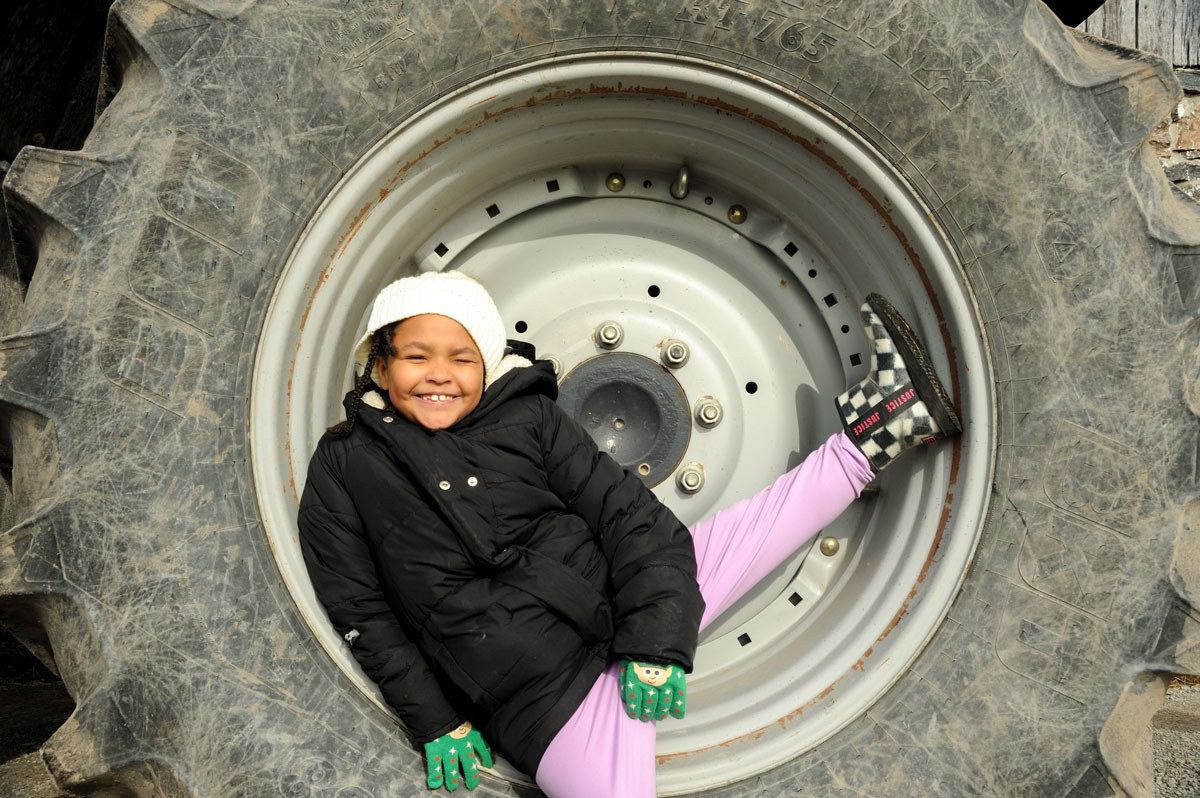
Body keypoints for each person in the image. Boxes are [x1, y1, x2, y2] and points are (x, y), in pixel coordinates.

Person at [298, 271, 961, 797]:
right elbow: (359, 608)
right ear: (379, 366)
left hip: (620, 609)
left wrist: (654, 639)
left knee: (738, 536)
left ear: (487, 362)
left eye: (461, 359)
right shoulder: (345, 463)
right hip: (547, 705)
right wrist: (435, 720)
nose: (439, 374)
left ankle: (889, 421)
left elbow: (630, 520)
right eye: (416, 357)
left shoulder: (528, 419)